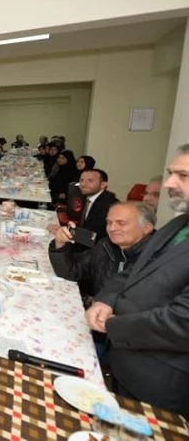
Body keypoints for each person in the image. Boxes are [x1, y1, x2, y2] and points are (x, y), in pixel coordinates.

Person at [86, 144, 189, 417]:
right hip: (127, 364)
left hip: (162, 379)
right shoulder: (178, 225)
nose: (169, 183)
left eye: (183, 176)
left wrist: (114, 326)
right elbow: (133, 270)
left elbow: (182, 321)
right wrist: (106, 300)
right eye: (171, 173)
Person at [49, 202, 155, 298]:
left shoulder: (157, 259)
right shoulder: (105, 246)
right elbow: (71, 271)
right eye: (109, 222)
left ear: (147, 228)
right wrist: (60, 243)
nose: (112, 228)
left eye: (121, 223)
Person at [78, 169, 119, 242]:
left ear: (103, 185)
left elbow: (95, 237)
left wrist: (69, 234)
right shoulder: (87, 197)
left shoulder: (110, 205)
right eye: (81, 180)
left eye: (90, 181)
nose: (83, 184)